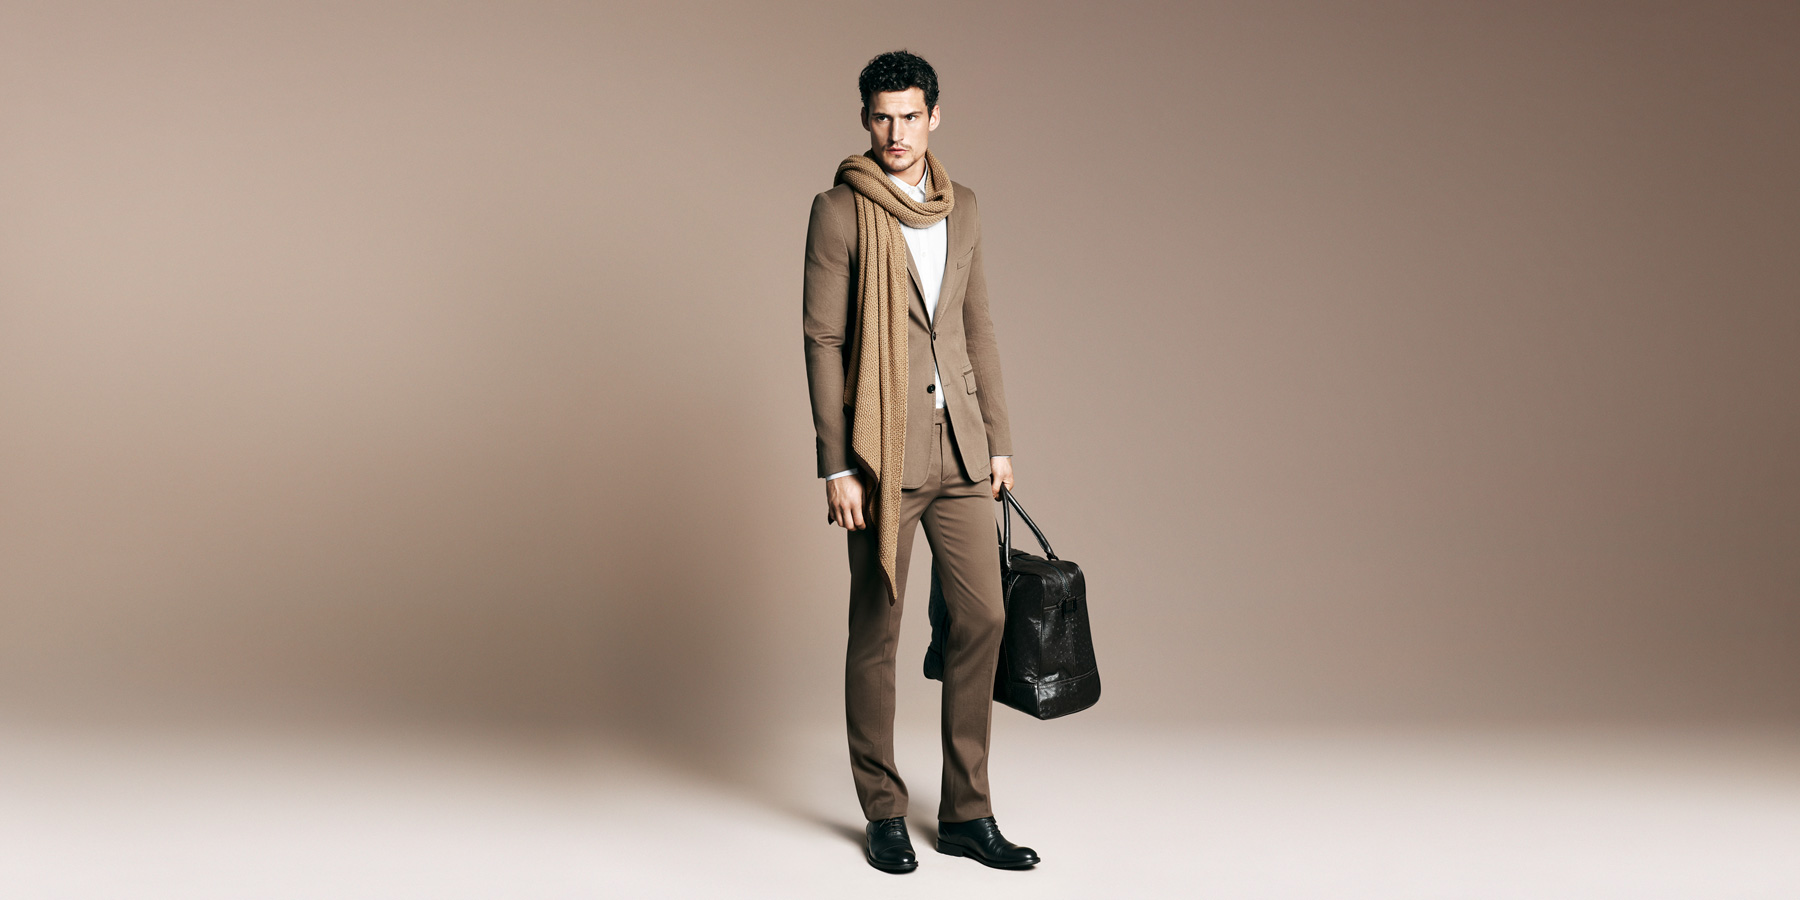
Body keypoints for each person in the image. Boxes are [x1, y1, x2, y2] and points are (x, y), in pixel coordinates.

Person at [802, 50, 1039, 873]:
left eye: (909, 116)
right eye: (881, 117)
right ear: (865, 119)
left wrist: (998, 439)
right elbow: (823, 339)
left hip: (961, 446)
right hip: (881, 450)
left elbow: (977, 326)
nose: (895, 132)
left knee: (984, 618)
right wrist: (836, 465)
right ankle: (884, 810)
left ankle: (968, 812)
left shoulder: (962, 206)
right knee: (877, 630)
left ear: (935, 115)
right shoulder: (839, 210)